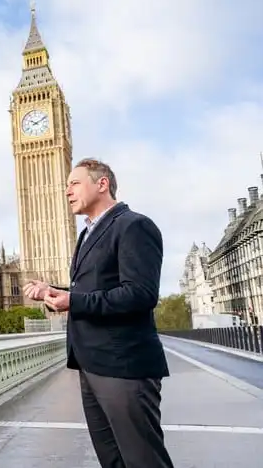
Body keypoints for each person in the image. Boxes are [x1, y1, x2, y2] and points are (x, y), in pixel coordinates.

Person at [24, 158, 174, 468]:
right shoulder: (88, 233)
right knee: (113, 460)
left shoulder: (134, 225)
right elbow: (95, 286)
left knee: (143, 460)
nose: (66, 191)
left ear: (102, 184)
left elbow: (140, 294)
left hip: (124, 367)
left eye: (74, 183)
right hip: (91, 364)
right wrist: (54, 291)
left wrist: (73, 302)